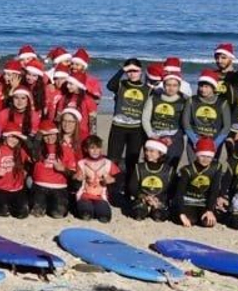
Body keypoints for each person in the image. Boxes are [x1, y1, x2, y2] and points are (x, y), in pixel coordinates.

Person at [102, 58, 149, 204]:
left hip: (136, 130)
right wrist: (122, 70)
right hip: (118, 127)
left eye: (135, 71)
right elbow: (109, 85)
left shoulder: (147, 89)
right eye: (130, 71)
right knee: (113, 159)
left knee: (131, 162)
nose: (132, 74)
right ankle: (109, 190)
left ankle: (129, 191)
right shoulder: (121, 84)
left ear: (141, 72)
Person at [174, 138, 224, 228]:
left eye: (209, 157)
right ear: (197, 155)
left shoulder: (216, 167)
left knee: (208, 222)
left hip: (204, 201)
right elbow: (179, 193)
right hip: (188, 201)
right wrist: (181, 213)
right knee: (190, 220)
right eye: (202, 156)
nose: (205, 159)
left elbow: (214, 189)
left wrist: (210, 210)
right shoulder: (187, 170)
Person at [125, 138, 175, 221]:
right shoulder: (139, 167)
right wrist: (143, 196)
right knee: (138, 214)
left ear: (161, 153)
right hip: (142, 198)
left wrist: (158, 199)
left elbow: (171, 190)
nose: (147, 153)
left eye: (152, 151)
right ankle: (146, 209)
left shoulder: (169, 170)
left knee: (158, 216)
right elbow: (132, 187)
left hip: (159, 199)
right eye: (146, 150)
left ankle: (153, 210)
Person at [73, 135, 117, 223]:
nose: (95, 151)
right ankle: (85, 208)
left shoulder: (107, 163)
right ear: (86, 149)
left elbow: (118, 177)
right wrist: (77, 178)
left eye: (98, 148)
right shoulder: (82, 163)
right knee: (86, 214)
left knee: (104, 217)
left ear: (101, 149)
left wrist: (112, 180)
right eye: (92, 148)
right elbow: (75, 177)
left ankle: (99, 209)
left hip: (100, 196)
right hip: (85, 195)